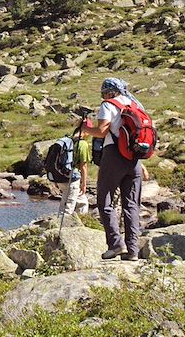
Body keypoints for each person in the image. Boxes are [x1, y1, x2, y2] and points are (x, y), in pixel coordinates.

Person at [80, 77, 145, 261]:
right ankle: (133, 250)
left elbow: (102, 131)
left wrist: (85, 127)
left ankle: (116, 245)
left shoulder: (108, 105)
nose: (103, 95)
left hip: (114, 155)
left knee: (105, 199)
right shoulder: (135, 105)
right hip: (135, 159)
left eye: (104, 92)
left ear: (109, 92)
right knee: (131, 204)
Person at [54, 122, 92, 216]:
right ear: (86, 131)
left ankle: (78, 223)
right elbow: (83, 166)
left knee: (80, 201)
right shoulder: (82, 144)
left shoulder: (67, 141)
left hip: (60, 176)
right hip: (73, 178)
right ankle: (68, 227)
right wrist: (84, 184)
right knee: (68, 209)